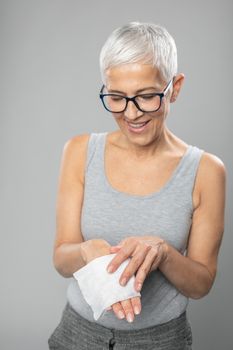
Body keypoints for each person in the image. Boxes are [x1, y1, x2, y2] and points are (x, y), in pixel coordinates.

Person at [48, 21, 226, 350]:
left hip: (161, 341)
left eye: (146, 97)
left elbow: (201, 284)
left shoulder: (206, 171)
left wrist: (164, 253)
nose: (131, 113)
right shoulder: (78, 152)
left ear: (175, 86)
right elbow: (61, 258)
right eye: (116, 97)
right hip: (77, 335)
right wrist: (86, 251)